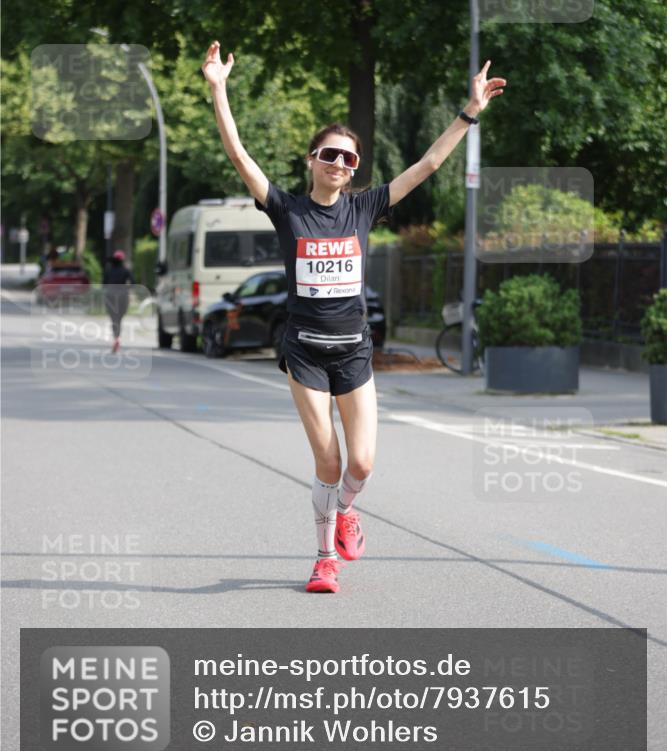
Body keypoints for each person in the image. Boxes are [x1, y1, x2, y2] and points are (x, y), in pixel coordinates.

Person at [201, 40, 506, 593]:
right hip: (304, 354)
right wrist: (219, 89)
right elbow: (240, 155)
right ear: (311, 161)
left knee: (360, 466)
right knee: (328, 457)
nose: (339, 164)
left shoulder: (365, 206)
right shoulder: (286, 208)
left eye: (349, 158)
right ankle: (323, 559)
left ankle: (346, 509)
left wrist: (469, 113)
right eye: (330, 155)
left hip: (354, 351)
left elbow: (429, 164)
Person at [103, 250, 134, 353]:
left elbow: (104, 284)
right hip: (122, 297)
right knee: (119, 319)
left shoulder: (109, 270)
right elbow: (133, 283)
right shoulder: (126, 270)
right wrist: (127, 289)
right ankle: (117, 338)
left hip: (110, 296)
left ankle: (116, 338)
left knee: (114, 319)